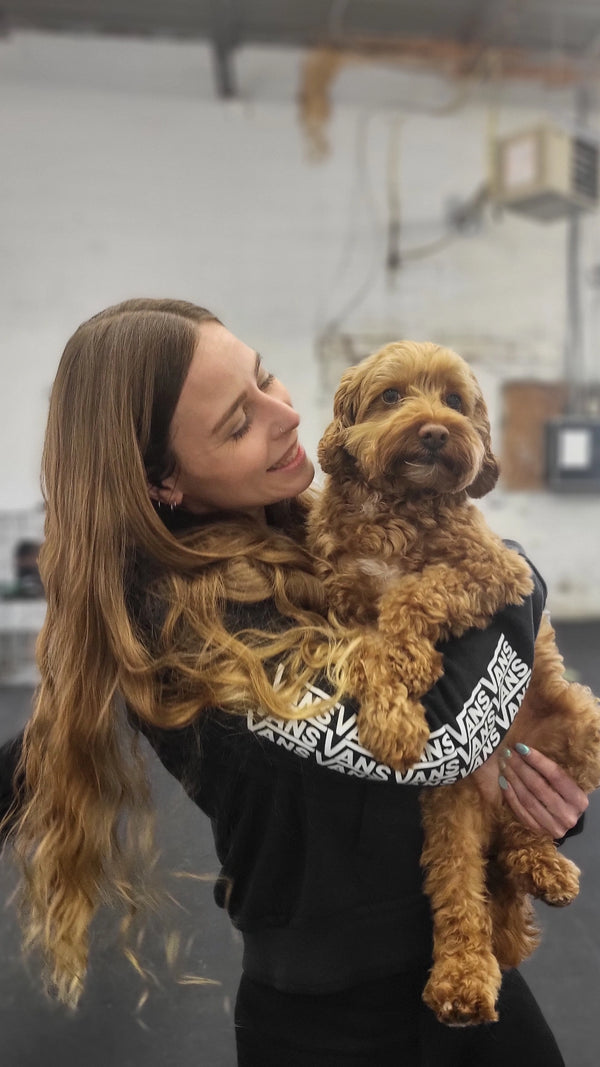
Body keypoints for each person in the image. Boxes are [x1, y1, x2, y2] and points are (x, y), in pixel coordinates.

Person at [0, 298, 589, 1067]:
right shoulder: (190, 628)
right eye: (237, 424)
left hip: (469, 967)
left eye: (265, 378)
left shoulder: (310, 530)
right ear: (162, 482)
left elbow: (477, 713)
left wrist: (529, 789)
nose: (283, 415)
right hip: (335, 1018)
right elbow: (442, 738)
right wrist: (522, 575)